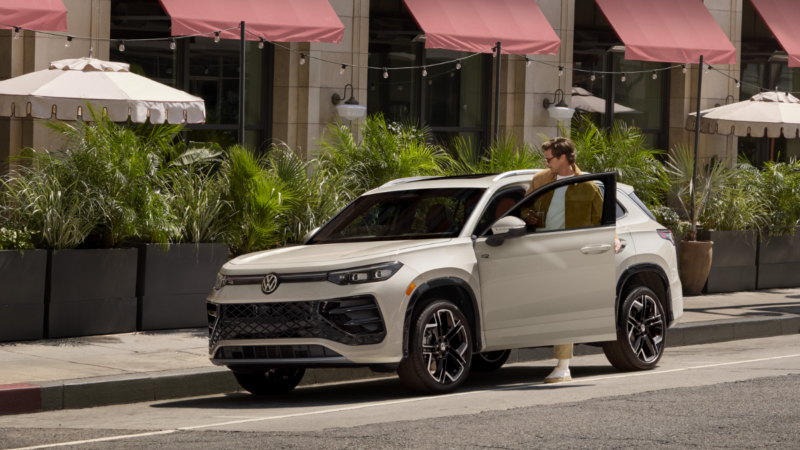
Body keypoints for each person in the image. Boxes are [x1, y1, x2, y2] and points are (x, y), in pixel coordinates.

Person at [522, 137, 621, 384]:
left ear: (563, 158)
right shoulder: (540, 180)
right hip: (540, 251)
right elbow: (523, 207)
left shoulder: (587, 185)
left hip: (571, 254)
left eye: (548, 159)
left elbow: (604, 220)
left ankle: (563, 366)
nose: (545, 163)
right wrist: (528, 216)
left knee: (561, 308)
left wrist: (614, 239)